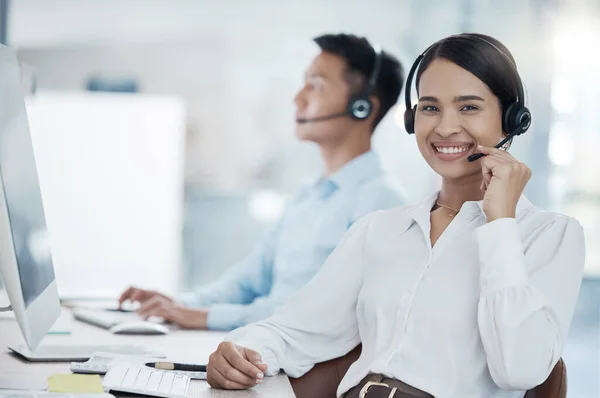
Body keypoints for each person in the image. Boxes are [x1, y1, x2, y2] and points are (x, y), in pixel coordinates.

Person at [205, 33, 585, 398]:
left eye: (468, 107)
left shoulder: (550, 235)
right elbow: (296, 329)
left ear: (512, 118)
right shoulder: (380, 229)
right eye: (430, 107)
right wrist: (241, 350)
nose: (445, 127)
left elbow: (519, 369)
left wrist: (501, 222)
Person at [118, 33, 406, 331]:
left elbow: (315, 314)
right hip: (267, 346)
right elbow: (247, 280)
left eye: (315, 86)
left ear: (362, 106)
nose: (298, 98)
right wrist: (179, 305)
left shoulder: (382, 204)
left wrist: (202, 317)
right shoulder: (309, 195)